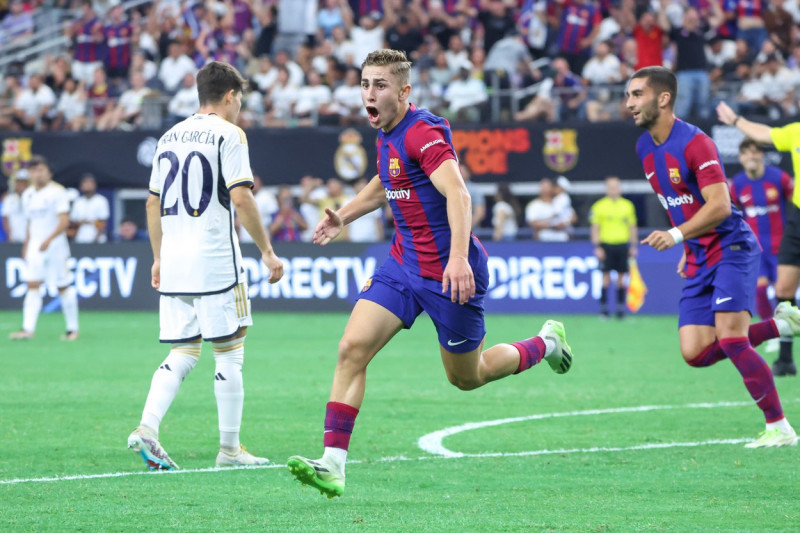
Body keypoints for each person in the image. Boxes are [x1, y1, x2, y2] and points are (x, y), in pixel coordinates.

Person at [286, 49, 574, 498]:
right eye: (364, 84)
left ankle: (545, 343)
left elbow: (458, 195)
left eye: (380, 85)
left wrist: (457, 259)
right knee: (351, 348)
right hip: (402, 265)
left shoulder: (423, 131)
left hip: (449, 274)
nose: (369, 93)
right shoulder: (385, 132)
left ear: (404, 92)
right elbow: (385, 181)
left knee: (467, 377)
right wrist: (344, 215)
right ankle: (332, 464)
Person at [628, 66, 799, 447]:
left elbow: (720, 206)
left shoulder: (696, 143)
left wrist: (676, 236)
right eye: (628, 96)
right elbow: (680, 205)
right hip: (698, 255)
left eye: (637, 94)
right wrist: (688, 245)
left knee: (732, 339)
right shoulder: (644, 148)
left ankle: (779, 427)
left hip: (731, 248)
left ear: (663, 98)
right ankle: (780, 325)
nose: (629, 104)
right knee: (695, 352)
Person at [127, 61, 284, 471]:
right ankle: (230, 451)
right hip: (215, 258)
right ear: (230, 96)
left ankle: (147, 429)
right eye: (240, 100)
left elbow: (151, 202)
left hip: (175, 258)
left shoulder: (168, 136)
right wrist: (267, 251)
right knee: (230, 350)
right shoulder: (230, 134)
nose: (240, 108)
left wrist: (158, 257)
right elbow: (242, 197)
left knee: (184, 349)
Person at [717, 100, 800, 376]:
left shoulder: (777, 178)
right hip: (791, 226)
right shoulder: (794, 132)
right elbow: (765, 133)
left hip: (778, 237)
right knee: (783, 292)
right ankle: (785, 358)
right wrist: (735, 120)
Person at [9, 156, 80, 341]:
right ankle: (27, 329)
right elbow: (30, 223)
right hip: (35, 246)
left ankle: (72, 329)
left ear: (48, 172)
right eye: (33, 171)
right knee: (32, 285)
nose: (37, 174)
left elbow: (64, 221)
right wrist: (27, 246)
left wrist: (48, 239)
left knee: (62, 286)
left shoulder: (57, 192)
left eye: (40, 170)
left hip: (56, 246)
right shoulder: (27, 195)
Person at [730, 139, 793, 328]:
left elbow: (795, 201)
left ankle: (789, 328)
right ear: (741, 158)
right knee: (760, 289)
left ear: (762, 155)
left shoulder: (778, 178)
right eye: (747, 153)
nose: (751, 156)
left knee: (785, 290)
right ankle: (770, 328)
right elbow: (733, 214)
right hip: (754, 247)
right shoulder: (738, 184)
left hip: (781, 245)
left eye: (755, 152)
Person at [589, 176, 638, 319]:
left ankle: (620, 310)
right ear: (606, 189)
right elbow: (595, 228)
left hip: (622, 245)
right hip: (606, 245)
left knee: (622, 278)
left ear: (620, 188)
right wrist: (597, 246)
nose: (614, 190)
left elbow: (632, 227)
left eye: (616, 187)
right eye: (611, 187)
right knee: (606, 277)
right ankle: (604, 310)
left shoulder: (627, 205)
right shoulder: (599, 206)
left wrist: (633, 245)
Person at [69, 174, 109, 243]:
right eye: (85, 183)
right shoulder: (78, 202)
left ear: (94, 185)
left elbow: (103, 222)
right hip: (80, 239)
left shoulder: (101, 200)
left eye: (90, 183)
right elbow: (72, 222)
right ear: (81, 186)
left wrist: (96, 239)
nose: (87, 185)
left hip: (98, 241)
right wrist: (80, 222)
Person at [1, 169, 29, 243]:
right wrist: (10, 235)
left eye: (23, 183)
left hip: (31, 239)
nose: (20, 185)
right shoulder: (9, 199)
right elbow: (5, 219)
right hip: (14, 238)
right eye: (18, 183)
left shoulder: (34, 198)